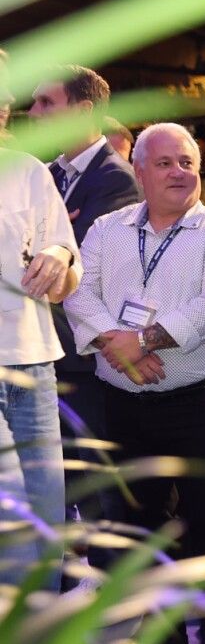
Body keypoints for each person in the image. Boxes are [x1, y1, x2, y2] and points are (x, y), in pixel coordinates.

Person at [63, 123, 205, 644]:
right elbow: (80, 293)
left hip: (202, 400)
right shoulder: (107, 229)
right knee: (140, 521)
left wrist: (141, 340)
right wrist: (120, 348)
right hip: (123, 402)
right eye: (165, 163)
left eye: (187, 162)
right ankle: (162, 628)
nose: (178, 172)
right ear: (139, 171)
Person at [29, 67, 140, 569]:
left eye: (45, 103)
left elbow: (81, 269)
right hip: (44, 353)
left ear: (83, 109)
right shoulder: (46, 175)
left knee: (97, 483)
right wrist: (48, 244)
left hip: (87, 360)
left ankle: (111, 585)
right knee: (58, 482)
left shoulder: (116, 179)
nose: (33, 113)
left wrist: (47, 247)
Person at [0, 53, 78, 586]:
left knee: (48, 517)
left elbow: (69, 277)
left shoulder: (28, 171)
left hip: (36, 365)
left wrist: (59, 257)